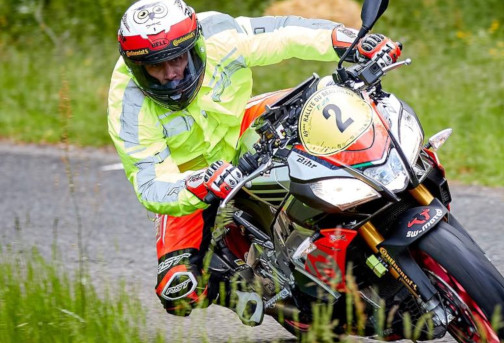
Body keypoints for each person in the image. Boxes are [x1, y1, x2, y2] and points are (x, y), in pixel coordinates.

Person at [107, 0, 401, 319]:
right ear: (136, 67)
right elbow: (150, 183)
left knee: (327, 98)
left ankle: (389, 182)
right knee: (177, 289)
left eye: (177, 58)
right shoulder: (128, 106)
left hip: (246, 124)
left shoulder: (219, 35)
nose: (171, 75)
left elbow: (284, 33)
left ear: (195, 45)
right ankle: (247, 290)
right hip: (193, 179)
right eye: (156, 67)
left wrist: (347, 40)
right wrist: (197, 185)